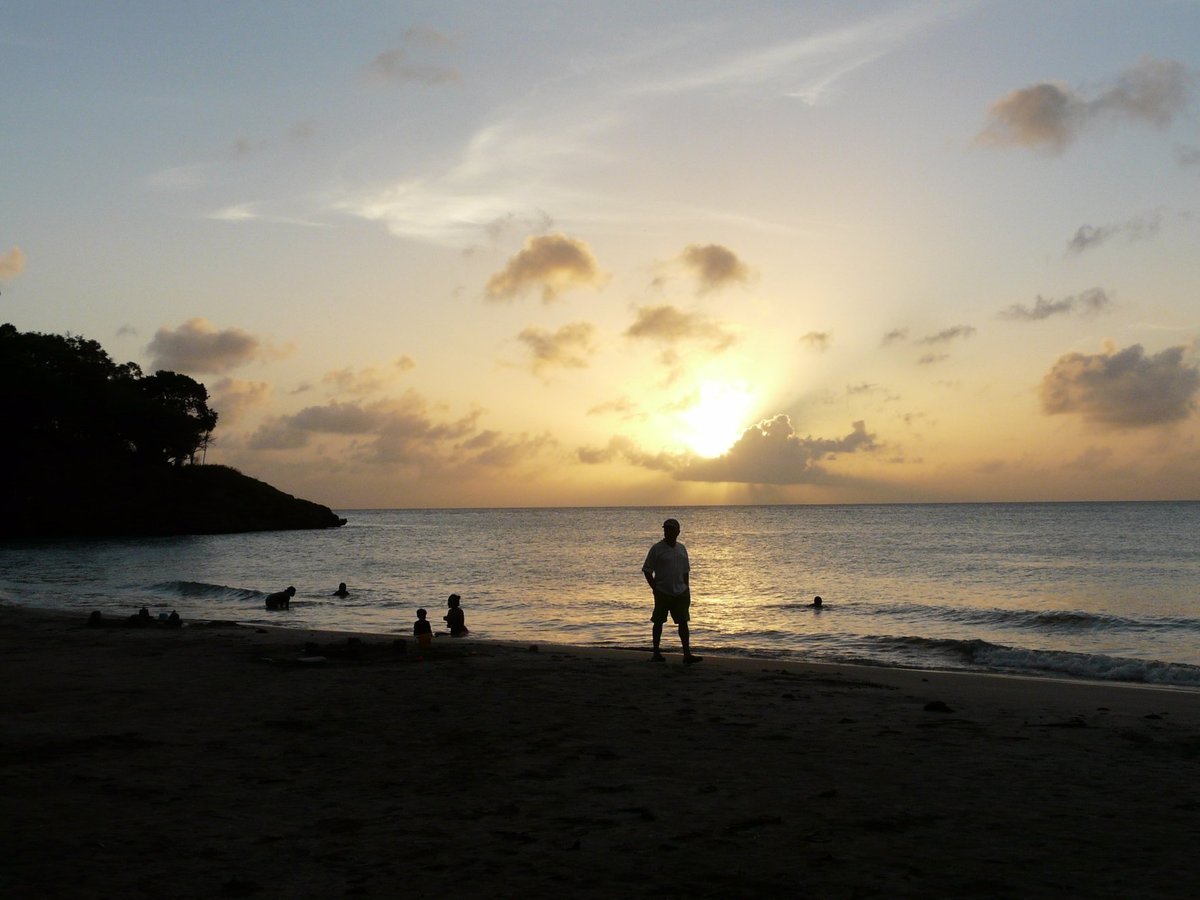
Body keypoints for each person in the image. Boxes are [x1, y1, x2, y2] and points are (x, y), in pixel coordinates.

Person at [642, 518, 701, 665]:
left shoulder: (681, 548)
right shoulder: (657, 549)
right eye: (666, 529)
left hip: (680, 592)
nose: (668, 531)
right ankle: (656, 652)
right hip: (663, 591)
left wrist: (687, 588)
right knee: (658, 621)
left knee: (683, 622)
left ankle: (686, 654)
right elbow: (647, 570)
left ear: (678, 532)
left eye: (671, 529)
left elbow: (686, 571)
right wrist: (655, 588)